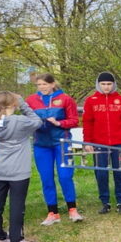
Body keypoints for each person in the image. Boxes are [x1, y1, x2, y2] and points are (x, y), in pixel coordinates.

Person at [25, 74, 82, 224]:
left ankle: (72, 209)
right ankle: (53, 213)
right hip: (41, 145)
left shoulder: (66, 99)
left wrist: (58, 123)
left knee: (65, 176)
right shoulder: (30, 100)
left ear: (52, 84)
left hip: (62, 143)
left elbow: (74, 120)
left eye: (44, 84)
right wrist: (36, 124)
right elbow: (26, 120)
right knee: (46, 178)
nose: (41, 87)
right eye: (39, 85)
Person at [0, 92, 42, 242]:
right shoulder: (21, 121)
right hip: (18, 171)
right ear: (14, 103)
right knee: (17, 205)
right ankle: (16, 240)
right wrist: (23, 104)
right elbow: (38, 121)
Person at [81, 72, 121, 215]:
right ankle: (105, 202)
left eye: (109, 84)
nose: (106, 87)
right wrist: (87, 142)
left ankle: (120, 202)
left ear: (114, 84)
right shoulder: (91, 101)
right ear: (98, 84)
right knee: (101, 173)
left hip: (119, 143)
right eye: (103, 84)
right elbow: (87, 123)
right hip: (99, 143)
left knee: (119, 173)